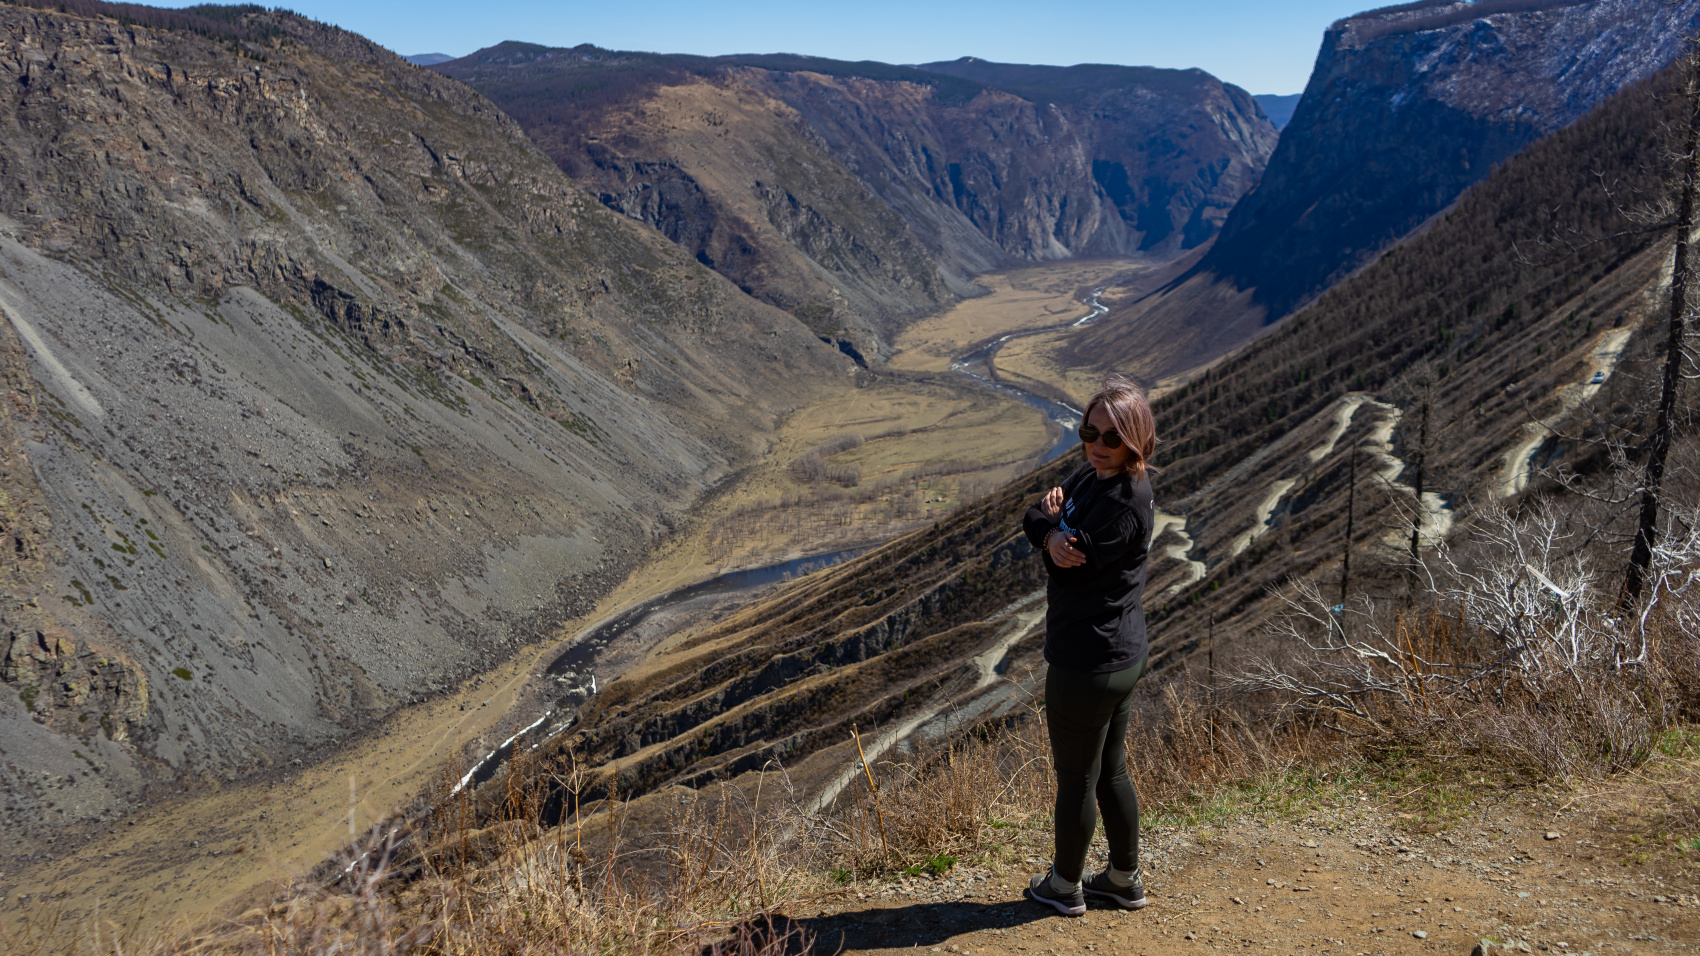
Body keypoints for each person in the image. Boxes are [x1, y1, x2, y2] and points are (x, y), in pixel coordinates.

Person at [1019, 373, 1158, 916]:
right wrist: (1049, 529)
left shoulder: (1122, 501)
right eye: (1088, 431)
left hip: (1088, 660)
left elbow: (1068, 566)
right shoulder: (1094, 475)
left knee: (1077, 779)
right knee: (1111, 770)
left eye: (1111, 438)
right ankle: (1123, 879)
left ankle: (1063, 886)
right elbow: (1037, 517)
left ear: (1136, 441)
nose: (1095, 445)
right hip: (1119, 652)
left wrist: (1053, 531)